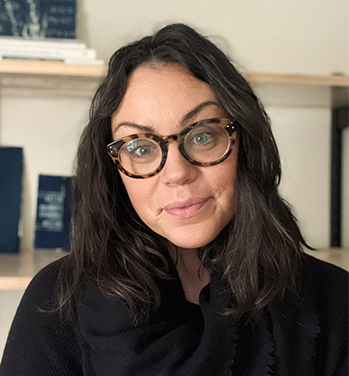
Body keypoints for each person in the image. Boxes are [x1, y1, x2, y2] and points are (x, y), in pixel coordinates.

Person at [0, 23, 347, 376]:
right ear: (113, 170)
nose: (178, 173)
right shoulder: (54, 303)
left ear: (245, 143)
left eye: (202, 136)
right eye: (140, 147)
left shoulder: (334, 299)